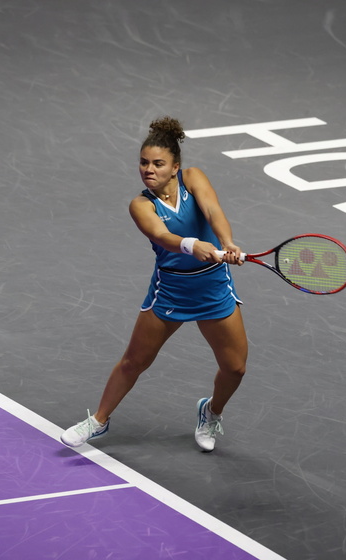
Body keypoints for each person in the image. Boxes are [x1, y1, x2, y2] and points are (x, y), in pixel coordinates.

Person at [60, 116, 247, 452]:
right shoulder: (141, 204)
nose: (149, 169)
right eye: (144, 163)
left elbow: (212, 209)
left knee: (235, 368)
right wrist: (194, 245)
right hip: (171, 291)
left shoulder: (194, 178)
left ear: (176, 167)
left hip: (214, 288)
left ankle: (211, 411)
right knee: (135, 361)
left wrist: (227, 242)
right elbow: (162, 236)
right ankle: (99, 420)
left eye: (158, 164)